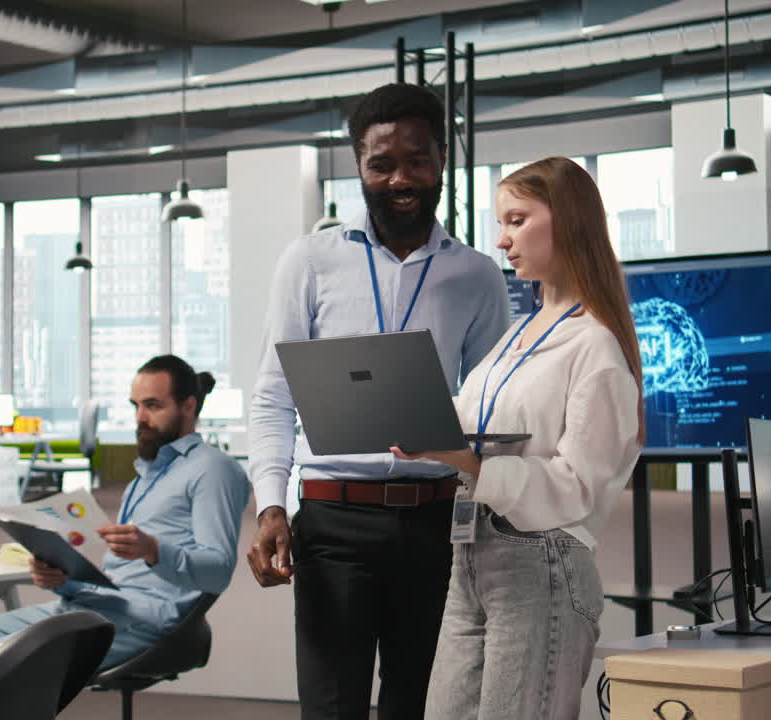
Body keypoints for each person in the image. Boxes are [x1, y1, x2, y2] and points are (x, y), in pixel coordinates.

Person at [246, 82, 511, 719]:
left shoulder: (476, 274)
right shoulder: (309, 262)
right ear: (359, 166)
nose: (401, 178)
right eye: (382, 163)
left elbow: (495, 407)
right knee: (331, 707)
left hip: (436, 525)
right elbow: (273, 396)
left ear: (443, 159)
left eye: (417, 160)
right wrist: (271, 506)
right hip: (334, 523)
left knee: (419, 706)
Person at [391, 156, 644, 719]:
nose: (502, 240)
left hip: (542, 562)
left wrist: (463, 459)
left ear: (569, 220)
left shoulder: (595, 347)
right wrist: (401, 409)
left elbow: (575, 485)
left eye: (517, 220)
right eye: (501, 222)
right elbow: (476, 412)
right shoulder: (522, 331)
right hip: (474, 556)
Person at [0, 354, 250, 671]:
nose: (140, 417)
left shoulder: (213, 469)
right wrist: (61, 580)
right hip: (100, 607)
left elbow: (218, 571)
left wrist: (154, 550)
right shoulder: (146, 477)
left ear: (188, 406)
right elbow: (121, 580)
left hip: (141, 621)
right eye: (136, 406)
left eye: (153, 406)